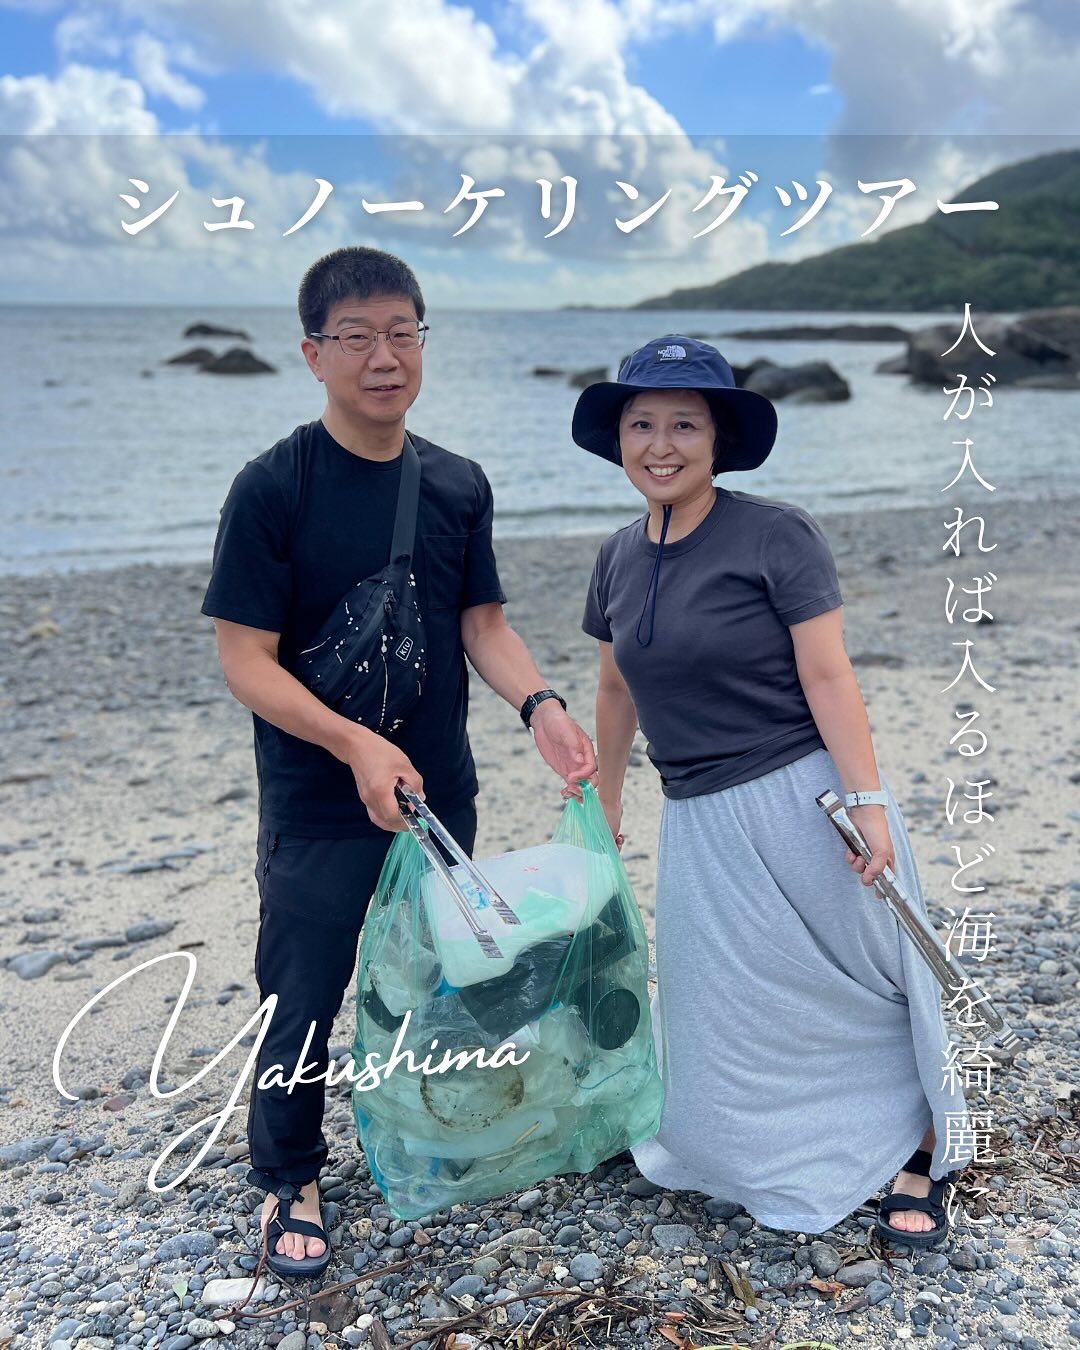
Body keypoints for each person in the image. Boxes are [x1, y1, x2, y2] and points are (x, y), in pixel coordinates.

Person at [201, 246, 596, 1278]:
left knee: (436, 978)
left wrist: (541, 704)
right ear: (313, 354)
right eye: (357, 336)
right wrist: (351, 740)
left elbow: (485, 625)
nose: (385, 356)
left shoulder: (457, 483)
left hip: (436, 794)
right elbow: (244, 659)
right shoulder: (273, 488)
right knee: (306, 991)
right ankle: (289, 1173)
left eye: (403, 332)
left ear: (423, 341)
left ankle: (421, 1132)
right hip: (320, 801)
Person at [573, 334, 975, 1247]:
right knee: (730, 1020)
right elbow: (612, 687)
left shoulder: (774, 533)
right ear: (619, 440)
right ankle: (784, 1151)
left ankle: (920, 1152)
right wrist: (606, 799)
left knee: (871, 983)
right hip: (699, 820)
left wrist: (868, 804)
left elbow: (831, 678)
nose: (661, 444)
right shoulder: (615, 557)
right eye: (642, 424)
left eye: (685, 424)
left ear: (719, 441)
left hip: (806, 799)